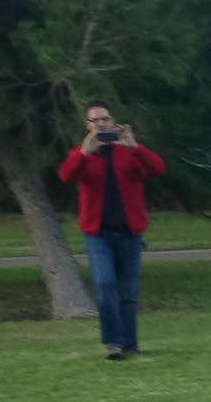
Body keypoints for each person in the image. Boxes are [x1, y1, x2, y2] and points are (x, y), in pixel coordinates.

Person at [57, 102, 165, 359]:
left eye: (104, 119)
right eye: (94, 121)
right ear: (88, 126)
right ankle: (113, 343)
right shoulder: (83, 155)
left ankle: (130, 343)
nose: (100, 124)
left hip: (130, 232)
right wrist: (84, 153)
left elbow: (158, 169)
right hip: (98, 234)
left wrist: (135, 148)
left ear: (113, 122)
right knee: (104, 284)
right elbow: (66, 176)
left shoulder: (128, 151)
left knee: (129, 291)